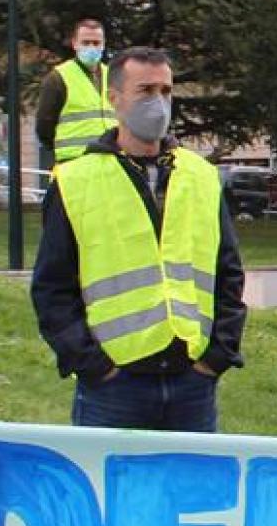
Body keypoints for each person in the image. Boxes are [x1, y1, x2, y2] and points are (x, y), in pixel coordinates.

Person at [31, 47, 248, 432]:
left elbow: (227, 272)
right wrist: (93, 365)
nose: (158, 103)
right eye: (145, 90)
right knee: (109, 493)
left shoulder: (201, 176)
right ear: (114, 99)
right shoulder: (74, 181)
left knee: (193, 492)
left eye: (166, 91)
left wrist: (217, 356)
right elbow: (52, 288)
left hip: (191, 380)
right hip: (115, 386)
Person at [35, 18, 116, 166]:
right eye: (86, 43)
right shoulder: (58, 78)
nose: (91, 48)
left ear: (103, 44)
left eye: (96, 43)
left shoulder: (113, 76)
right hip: (73, 163)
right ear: (74, 44)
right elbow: (44, 126)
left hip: (110, 162)